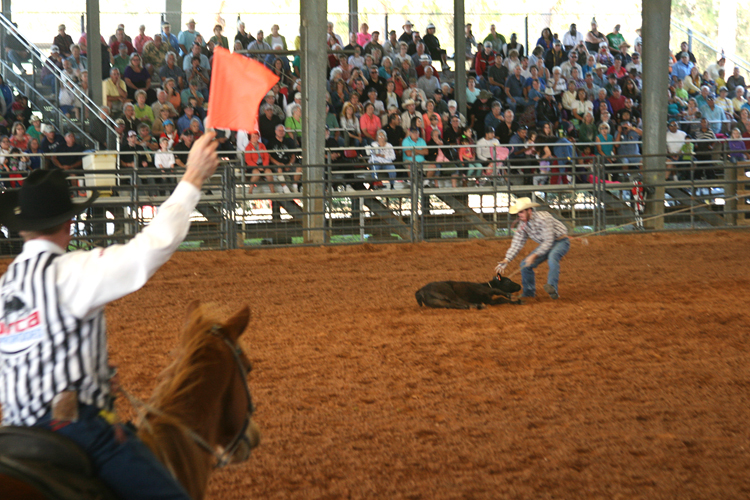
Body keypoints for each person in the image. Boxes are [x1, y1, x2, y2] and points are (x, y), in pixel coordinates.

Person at [0, 130, 219, 500]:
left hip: (15, 432)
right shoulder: (73, 271)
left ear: (23, 228)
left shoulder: (7, 288)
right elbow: (147, 251)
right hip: (74, 429)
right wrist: (192, 178)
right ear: (69, 223)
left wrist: (92, 375)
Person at [494, 197, 569, 299]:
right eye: (518, 213)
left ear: (529, 210)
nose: (519, 215)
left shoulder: (544, 218)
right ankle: (529, 293)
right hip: (546, 244)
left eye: (521, 212)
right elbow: (517, 243)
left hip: (561, 241)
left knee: (553, 257)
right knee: (525, 265)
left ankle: (552, 287)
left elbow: (549, 240)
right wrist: (507, 259)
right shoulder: (523, 225)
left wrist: (534, 255)